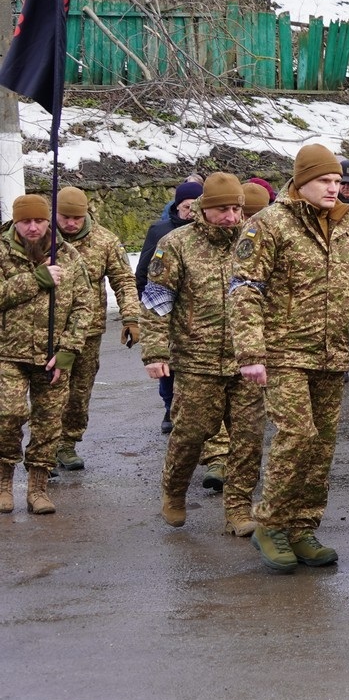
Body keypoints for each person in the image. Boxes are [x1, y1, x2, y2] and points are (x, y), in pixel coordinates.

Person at [231, 144, 349, 574]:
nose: (333, 188)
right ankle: (271, 524)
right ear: (301, 182)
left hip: (330, 354)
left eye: (337, 181)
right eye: (324, 180)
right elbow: (245, 290)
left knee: (320, 446)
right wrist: (251, 351)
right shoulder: (268, 225)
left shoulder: (348, 228)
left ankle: (302, 527)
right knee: (297, 435)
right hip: (283, 353)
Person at [140, 172, 262, 536]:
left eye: (236, 209)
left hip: (246, 360)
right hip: (196, 361)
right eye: (222, 209)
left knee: (249, 439)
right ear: (204, 209)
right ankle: (174, 491)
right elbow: (157, 302)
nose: (230, 217)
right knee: (191, 433)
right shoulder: (176, 244)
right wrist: (155, 352)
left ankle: (238, 508)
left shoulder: (254, 243)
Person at [0, 194, 90, 514]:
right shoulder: (2, 252)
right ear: (16, 222)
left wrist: (68, 350)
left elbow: (83, 306)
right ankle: (3, 483)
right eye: (26, 222)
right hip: (7, 353)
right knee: (8, 415)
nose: (33, 227)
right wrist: (35, 280)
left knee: (48, 424)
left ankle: (37, 488)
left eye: (39, 221)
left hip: (52, 355)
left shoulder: (67, 255)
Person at [52, 185, 139, 472]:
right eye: (65, 217)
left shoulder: (104, 241)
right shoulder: (42, 237)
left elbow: (124, 280)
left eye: (76, 218)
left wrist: (130, 317)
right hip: (46, 329)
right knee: (49, 391)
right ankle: (43, 447)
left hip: (87, 331)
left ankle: (67, 443)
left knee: (79, 392)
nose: (71, 223)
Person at [136, 177, 202, 434]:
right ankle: (169, 406)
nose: (191, 212)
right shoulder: (160, 232)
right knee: (168, 363)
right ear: (177, 206)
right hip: (167, 310)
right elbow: (143, 272)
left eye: (197, 205)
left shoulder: (208, 233)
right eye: (187, 206)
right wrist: (150, 305)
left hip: (198, 313)